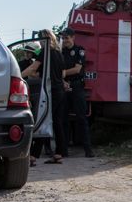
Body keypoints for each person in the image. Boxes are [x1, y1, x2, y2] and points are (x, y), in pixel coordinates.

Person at [21, 29, 69, 165]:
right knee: (57, 122)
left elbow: (32, 69)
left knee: (43, 120)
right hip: (60, 90)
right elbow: (63, 74)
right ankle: (59, 153)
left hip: (50, 91)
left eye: (41, 40)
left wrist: (17, 75)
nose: (40, 43)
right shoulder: (59, 54)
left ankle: (33, 156)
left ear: (45, 39)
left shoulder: (45, 52)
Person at [60, 28, 95, 157]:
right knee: (63, 119)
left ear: (73, 37)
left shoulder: (79, 50)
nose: (65, 41)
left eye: (67, 38)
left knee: (81, 118)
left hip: (76, 86)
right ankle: (63, 150)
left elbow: (77, 69)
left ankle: (88, 149)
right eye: (63, 38)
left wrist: (62, 73)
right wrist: (62, 78)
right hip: (64, 86)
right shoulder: (61, 52)